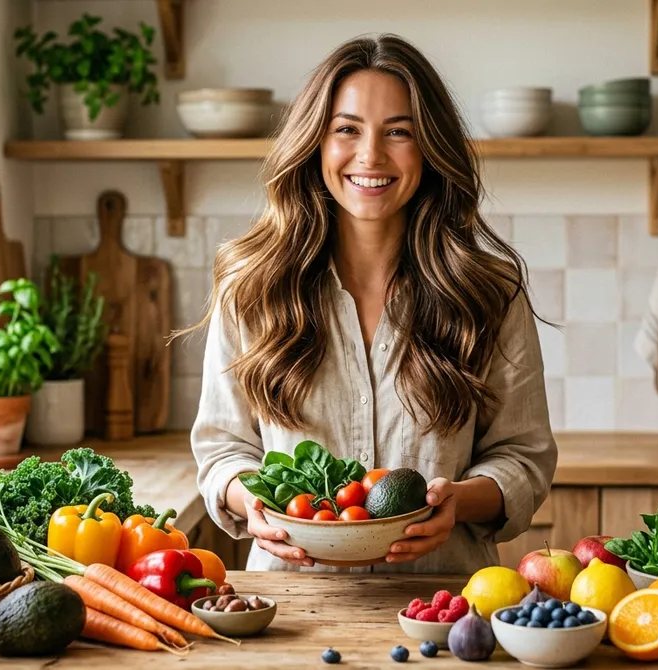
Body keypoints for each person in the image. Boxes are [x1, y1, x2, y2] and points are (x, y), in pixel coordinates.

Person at [181, 33, 558, 574]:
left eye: (398, 132)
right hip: (294, 613)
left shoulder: (488, 293)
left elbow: (524, 456)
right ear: (316, 142)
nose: (370, 155)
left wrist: (456, 504)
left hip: (440, 607)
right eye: (347, 130)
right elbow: (223, 449)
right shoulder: (252, 287)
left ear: (429, 147)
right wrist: (255, 505)